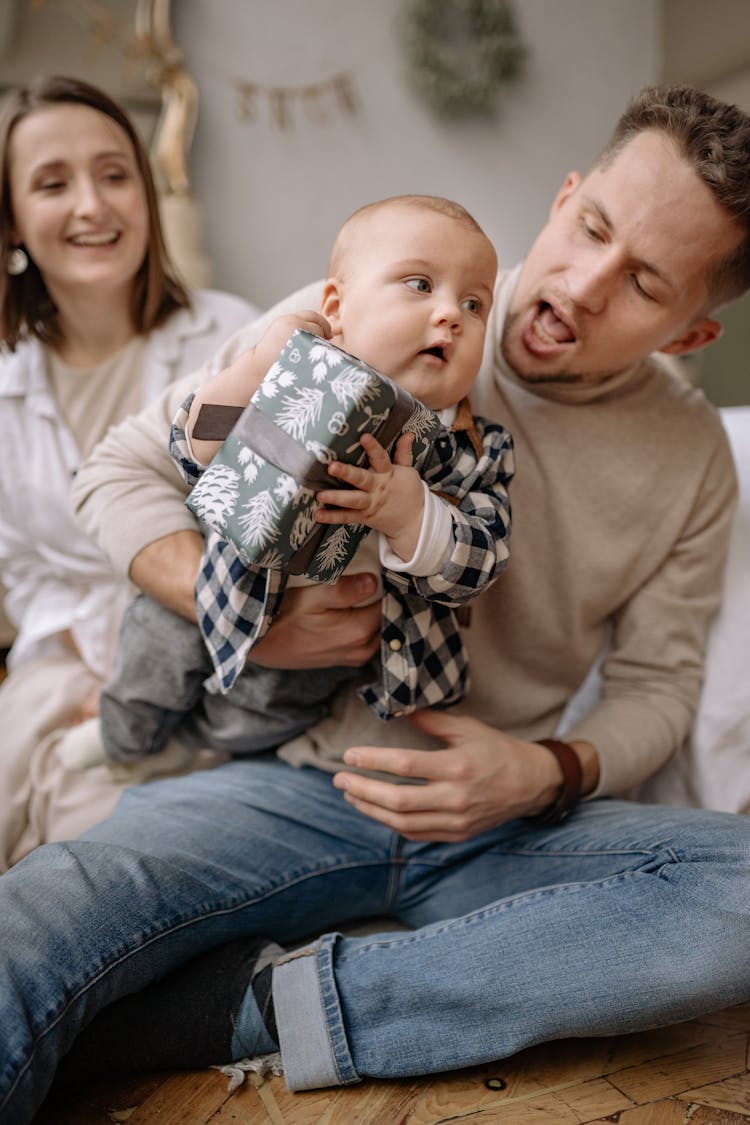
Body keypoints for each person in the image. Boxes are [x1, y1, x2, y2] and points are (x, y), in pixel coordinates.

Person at [3, 83, 750, 1123]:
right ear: (569, 190)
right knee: (36, 919)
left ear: (690, 334)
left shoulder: (691, 462)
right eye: (589, 228)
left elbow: (660, 684)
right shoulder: (357, 316)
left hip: (499, 824)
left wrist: (542, 773)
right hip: (288, 781)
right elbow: (122, 474)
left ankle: (279, 1004)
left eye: (643, 284)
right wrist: (254, 617)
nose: (578, 287)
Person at [57, 195, 513, 768]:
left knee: (260, 720)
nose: (451, 313)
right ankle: (123, 736)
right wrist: (253, 371)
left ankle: (198, 751)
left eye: (475, 304)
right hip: (217, 584)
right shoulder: (291, 370)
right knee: (151, 659)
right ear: (336, 307)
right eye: (420, 285)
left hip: (327, 653)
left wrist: (408, 511)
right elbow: (191, 451)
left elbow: (482, 561)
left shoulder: (472, 446)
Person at [0, 75, 258, 871]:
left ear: (146, 194)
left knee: (93, 841)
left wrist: (137, 670)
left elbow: (259, 542)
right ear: (10, 220)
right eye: (53, 183)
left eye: (114, 174)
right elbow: (23, 571)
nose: (92, 205)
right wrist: (83, 660)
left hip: (206, 673)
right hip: (59, 662)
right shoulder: (5, 375)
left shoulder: (236, 337)